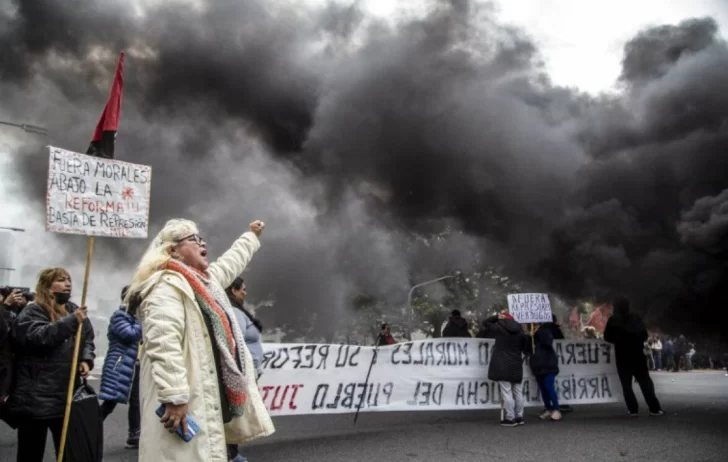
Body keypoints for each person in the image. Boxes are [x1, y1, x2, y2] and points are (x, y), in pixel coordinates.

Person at [126, 219, 274, 462]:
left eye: (201, 238)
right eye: (193, 239)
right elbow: (163, 343)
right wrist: (174, 397)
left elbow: (229, 263)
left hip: (203, 392)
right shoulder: (165, 285)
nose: (202, 242)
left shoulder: (204, 283)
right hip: (185, 399)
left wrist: (251, 236)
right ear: (172, 250)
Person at [7, 268, 95, 461]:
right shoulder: (33, 310)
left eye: (69, 280)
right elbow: (38, 337)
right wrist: (71, 321)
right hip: (34, 399)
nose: (68, 283)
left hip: (66, 398)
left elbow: (87, 337)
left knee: (68, 452)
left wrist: (85, 359)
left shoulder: (74, 310)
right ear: (47, 286)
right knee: (30, 454)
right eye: (61, 280)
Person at [225, 277, 264, 462]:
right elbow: (235, 342)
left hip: (244, 371)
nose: (245, 293)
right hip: (241, 373)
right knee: (235, 412)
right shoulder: (234, 311)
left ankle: (231, 453)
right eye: (243, 289)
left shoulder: (236, 311)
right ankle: (230, 455)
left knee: (236, 411)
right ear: (233, 290)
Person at [99, 285, 143, 449]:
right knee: (111, 401)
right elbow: (130, 334)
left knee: (136, 402)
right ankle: (90, 428)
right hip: (119, 364)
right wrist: (141, 320)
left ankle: (134, 435)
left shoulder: (133, 317)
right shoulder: (119, 316)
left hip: (134, 365)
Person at [603, 296, 663, 417]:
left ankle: (633, 409)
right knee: (645, 383)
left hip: (622, 357)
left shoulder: (613, 320)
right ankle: (654, 408)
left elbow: (607, 337)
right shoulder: (636, 318)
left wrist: (619, 340)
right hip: (637, 356)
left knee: (626, 385)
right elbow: (644, 335)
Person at [483, 312, 529, 427]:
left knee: (506, 391)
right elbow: (525, 348)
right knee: (517, 391)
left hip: (502, 364)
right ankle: (520, 417)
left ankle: (510, 418)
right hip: (516, 364)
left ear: (503, 319)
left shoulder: (498, 328)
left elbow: (486, 322)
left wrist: (496, 317)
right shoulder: (520, 331)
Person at [530, 321, 562, 421]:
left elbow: (547, 342)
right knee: (543, 389)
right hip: (537, 365)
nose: (534, 326)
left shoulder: (545, 331)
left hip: (548, 365)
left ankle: (556, 410)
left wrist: (538, 332)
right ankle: (548, 408)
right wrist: (529, 337)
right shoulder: (533, 335)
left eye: (535, 324)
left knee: (549, 386)